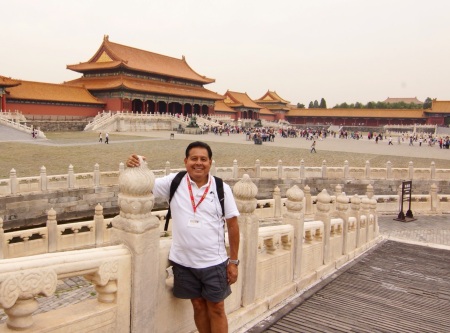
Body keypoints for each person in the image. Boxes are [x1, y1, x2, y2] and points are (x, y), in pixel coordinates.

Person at [127, 141, 240, 333]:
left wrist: (234, 262)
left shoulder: (221, 188)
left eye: (203, 159)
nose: (198, 163)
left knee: (217, 308)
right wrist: (138, 166)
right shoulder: (175, 181)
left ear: (210, 162)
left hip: (214, 261)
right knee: (197, 304)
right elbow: (144, 185)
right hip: (184, 262)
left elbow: (233, 225)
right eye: (193, 158)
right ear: (185, 161)